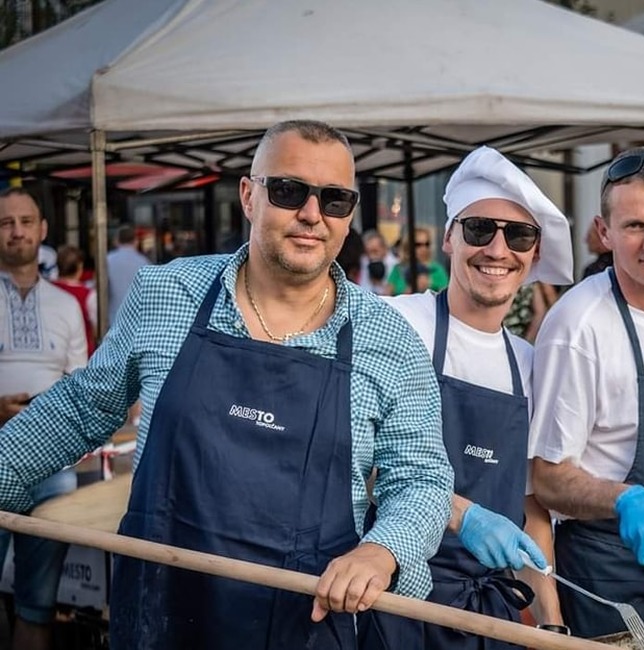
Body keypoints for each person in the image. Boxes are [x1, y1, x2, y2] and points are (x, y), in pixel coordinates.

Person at [0, 121, 454, 650]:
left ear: (349, 215)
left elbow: (421, 476)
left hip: (306, 624)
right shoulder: (167, 293)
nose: (312, 214)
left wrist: (382, 550)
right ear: (248, 195)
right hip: (161, 614)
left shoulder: (389, 338)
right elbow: (79, 410)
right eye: (288, 191)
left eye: (334, 199)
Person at [359, 146, 574, 649]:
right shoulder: (396, 323)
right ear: (450, 239)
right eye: (479, 229)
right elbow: (356, 461)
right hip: (394, 599)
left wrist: (550, 625)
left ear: (534, 254)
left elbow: (531, 508)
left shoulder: (528, 364)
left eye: (518, 235)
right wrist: (462, 514)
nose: (498, 250)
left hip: (492, 615)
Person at [529, 147, 644, 638]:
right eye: (634, 226)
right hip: (605, 576)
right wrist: (625, 497)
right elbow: (546, 477)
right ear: (604, 232)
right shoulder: (578, 327)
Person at [0, 188, 87, 650]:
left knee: (38, 604)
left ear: (43, 230)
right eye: (6, 222)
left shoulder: (67, 305)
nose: (17, 231)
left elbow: (80, 386)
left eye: (26, 221)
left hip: (53, 470)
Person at [52, 244, 97, 356]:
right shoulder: (88, 295)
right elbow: (96, 327)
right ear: (79, 267)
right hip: (81, 354)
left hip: (53, 351)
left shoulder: (47, 289)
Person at [105, 224, 149, 325]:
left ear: (117, 240)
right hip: (137, 320)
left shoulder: (107, 260)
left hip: (112, 319)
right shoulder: (144, 262)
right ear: (136, 241)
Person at [387, 227, 449, 295]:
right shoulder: (398, 269)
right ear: (408, 246)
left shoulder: (437, 269)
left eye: (427, 244)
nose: (424, 248)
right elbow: (387, 293)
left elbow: (445, 294)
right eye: (418, 245)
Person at [358, 229, 398, 293]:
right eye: (368, 252)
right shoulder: (363, 263)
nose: (371, 256)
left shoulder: (397, 267)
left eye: (375, 251)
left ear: (384, 248)